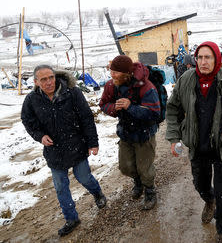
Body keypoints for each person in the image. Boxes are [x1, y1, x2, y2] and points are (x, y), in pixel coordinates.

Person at [166, 41, 222, 243]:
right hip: (198, 145)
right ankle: (209, 200)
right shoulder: (186, 80)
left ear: (216, 59)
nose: (203, 62)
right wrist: (174, 137)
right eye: (199, 57)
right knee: (201, 184)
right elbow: (172, 109)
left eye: (208, 57)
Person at [21, 65, 107, 237]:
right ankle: (71, 218)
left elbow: (86, 118)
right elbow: (28, 120)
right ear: (36, 82)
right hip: (54, 151)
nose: (48, 82)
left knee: (84, 177)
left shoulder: (72, 92)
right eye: (43, 79)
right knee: (61, 187)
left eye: (51, 77)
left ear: (55, 77)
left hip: (76, 145)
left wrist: (93, 143)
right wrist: (40, 136)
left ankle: (97, 193)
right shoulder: (32, 100)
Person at [99, 55, 160, 210]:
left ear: (127, 74)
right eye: (111, 71)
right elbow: (104, 103)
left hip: (144, 134)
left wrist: (130, 107)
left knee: (144, 168)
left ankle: (150, 191)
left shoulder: (146, 87)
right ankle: (137, 182)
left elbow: (154, 114)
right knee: (125, 166)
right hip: (125, 132)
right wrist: (114, 108)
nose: (112, 75)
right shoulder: (111, 86)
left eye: (116, 72)